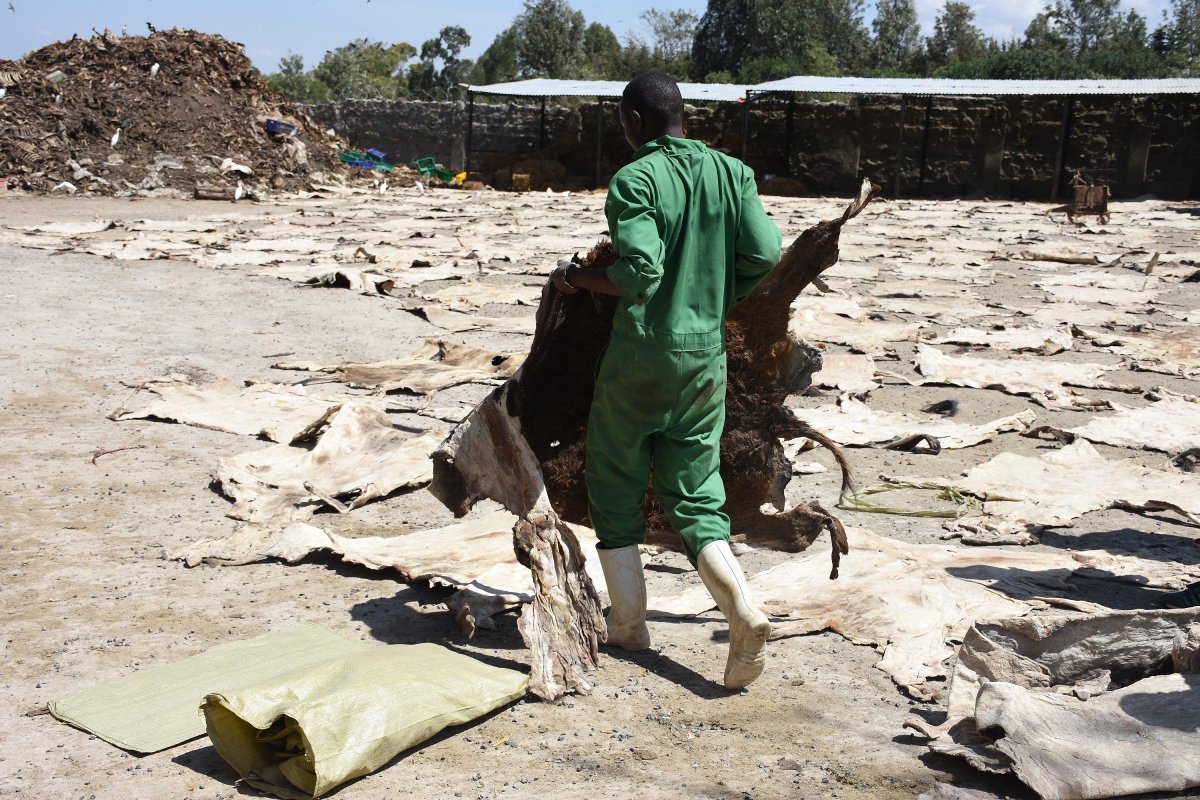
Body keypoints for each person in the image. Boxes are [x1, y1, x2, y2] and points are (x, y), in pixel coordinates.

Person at [550, 72, 783, 690]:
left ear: (633, 122)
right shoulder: (733, 174)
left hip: (641, 357)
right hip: (706, 359)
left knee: (615, 479)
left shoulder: (636, 179)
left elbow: (640, 274)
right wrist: (714, 299)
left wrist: (575, 280)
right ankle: (742, 609)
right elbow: (765, 254)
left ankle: (628, 626)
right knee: (695, 492)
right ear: (684, 114)